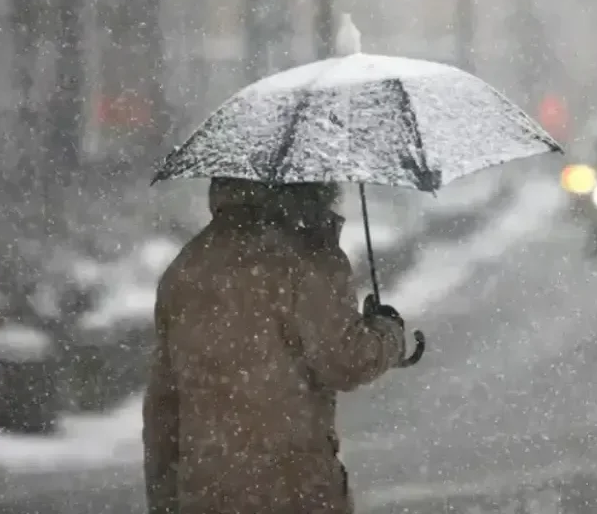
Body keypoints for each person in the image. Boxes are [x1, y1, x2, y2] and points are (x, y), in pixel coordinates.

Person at [143, 178, 408, 514]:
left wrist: (165, 499)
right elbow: (346, 361)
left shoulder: (186, 266)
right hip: (293, 487)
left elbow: (163, 407)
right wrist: (387, 332)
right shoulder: (306, 256)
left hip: (206, 490)